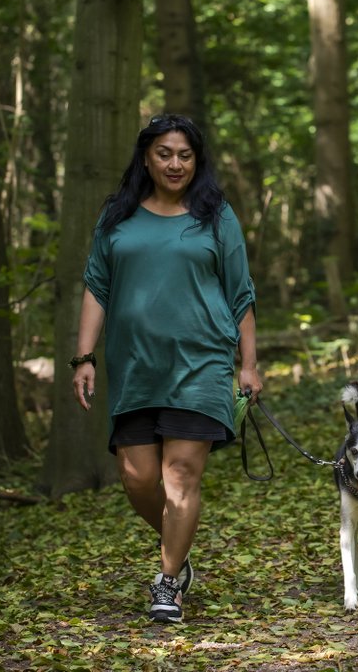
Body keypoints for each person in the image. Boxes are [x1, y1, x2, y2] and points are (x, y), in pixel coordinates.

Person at [71, 114, 260, 624]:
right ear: (147, 158)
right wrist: (85, 356)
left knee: (181, 475)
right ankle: (177, 540)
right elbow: (97, 285)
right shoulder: (118, 214)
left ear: (196, 161)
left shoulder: (215, 215)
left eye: (184, 155)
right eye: (164, 153)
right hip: (134, 367)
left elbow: (240, 292)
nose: (175, 163)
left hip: (200, 363)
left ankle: (168, 579)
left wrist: (249, 363)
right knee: (137, 478)